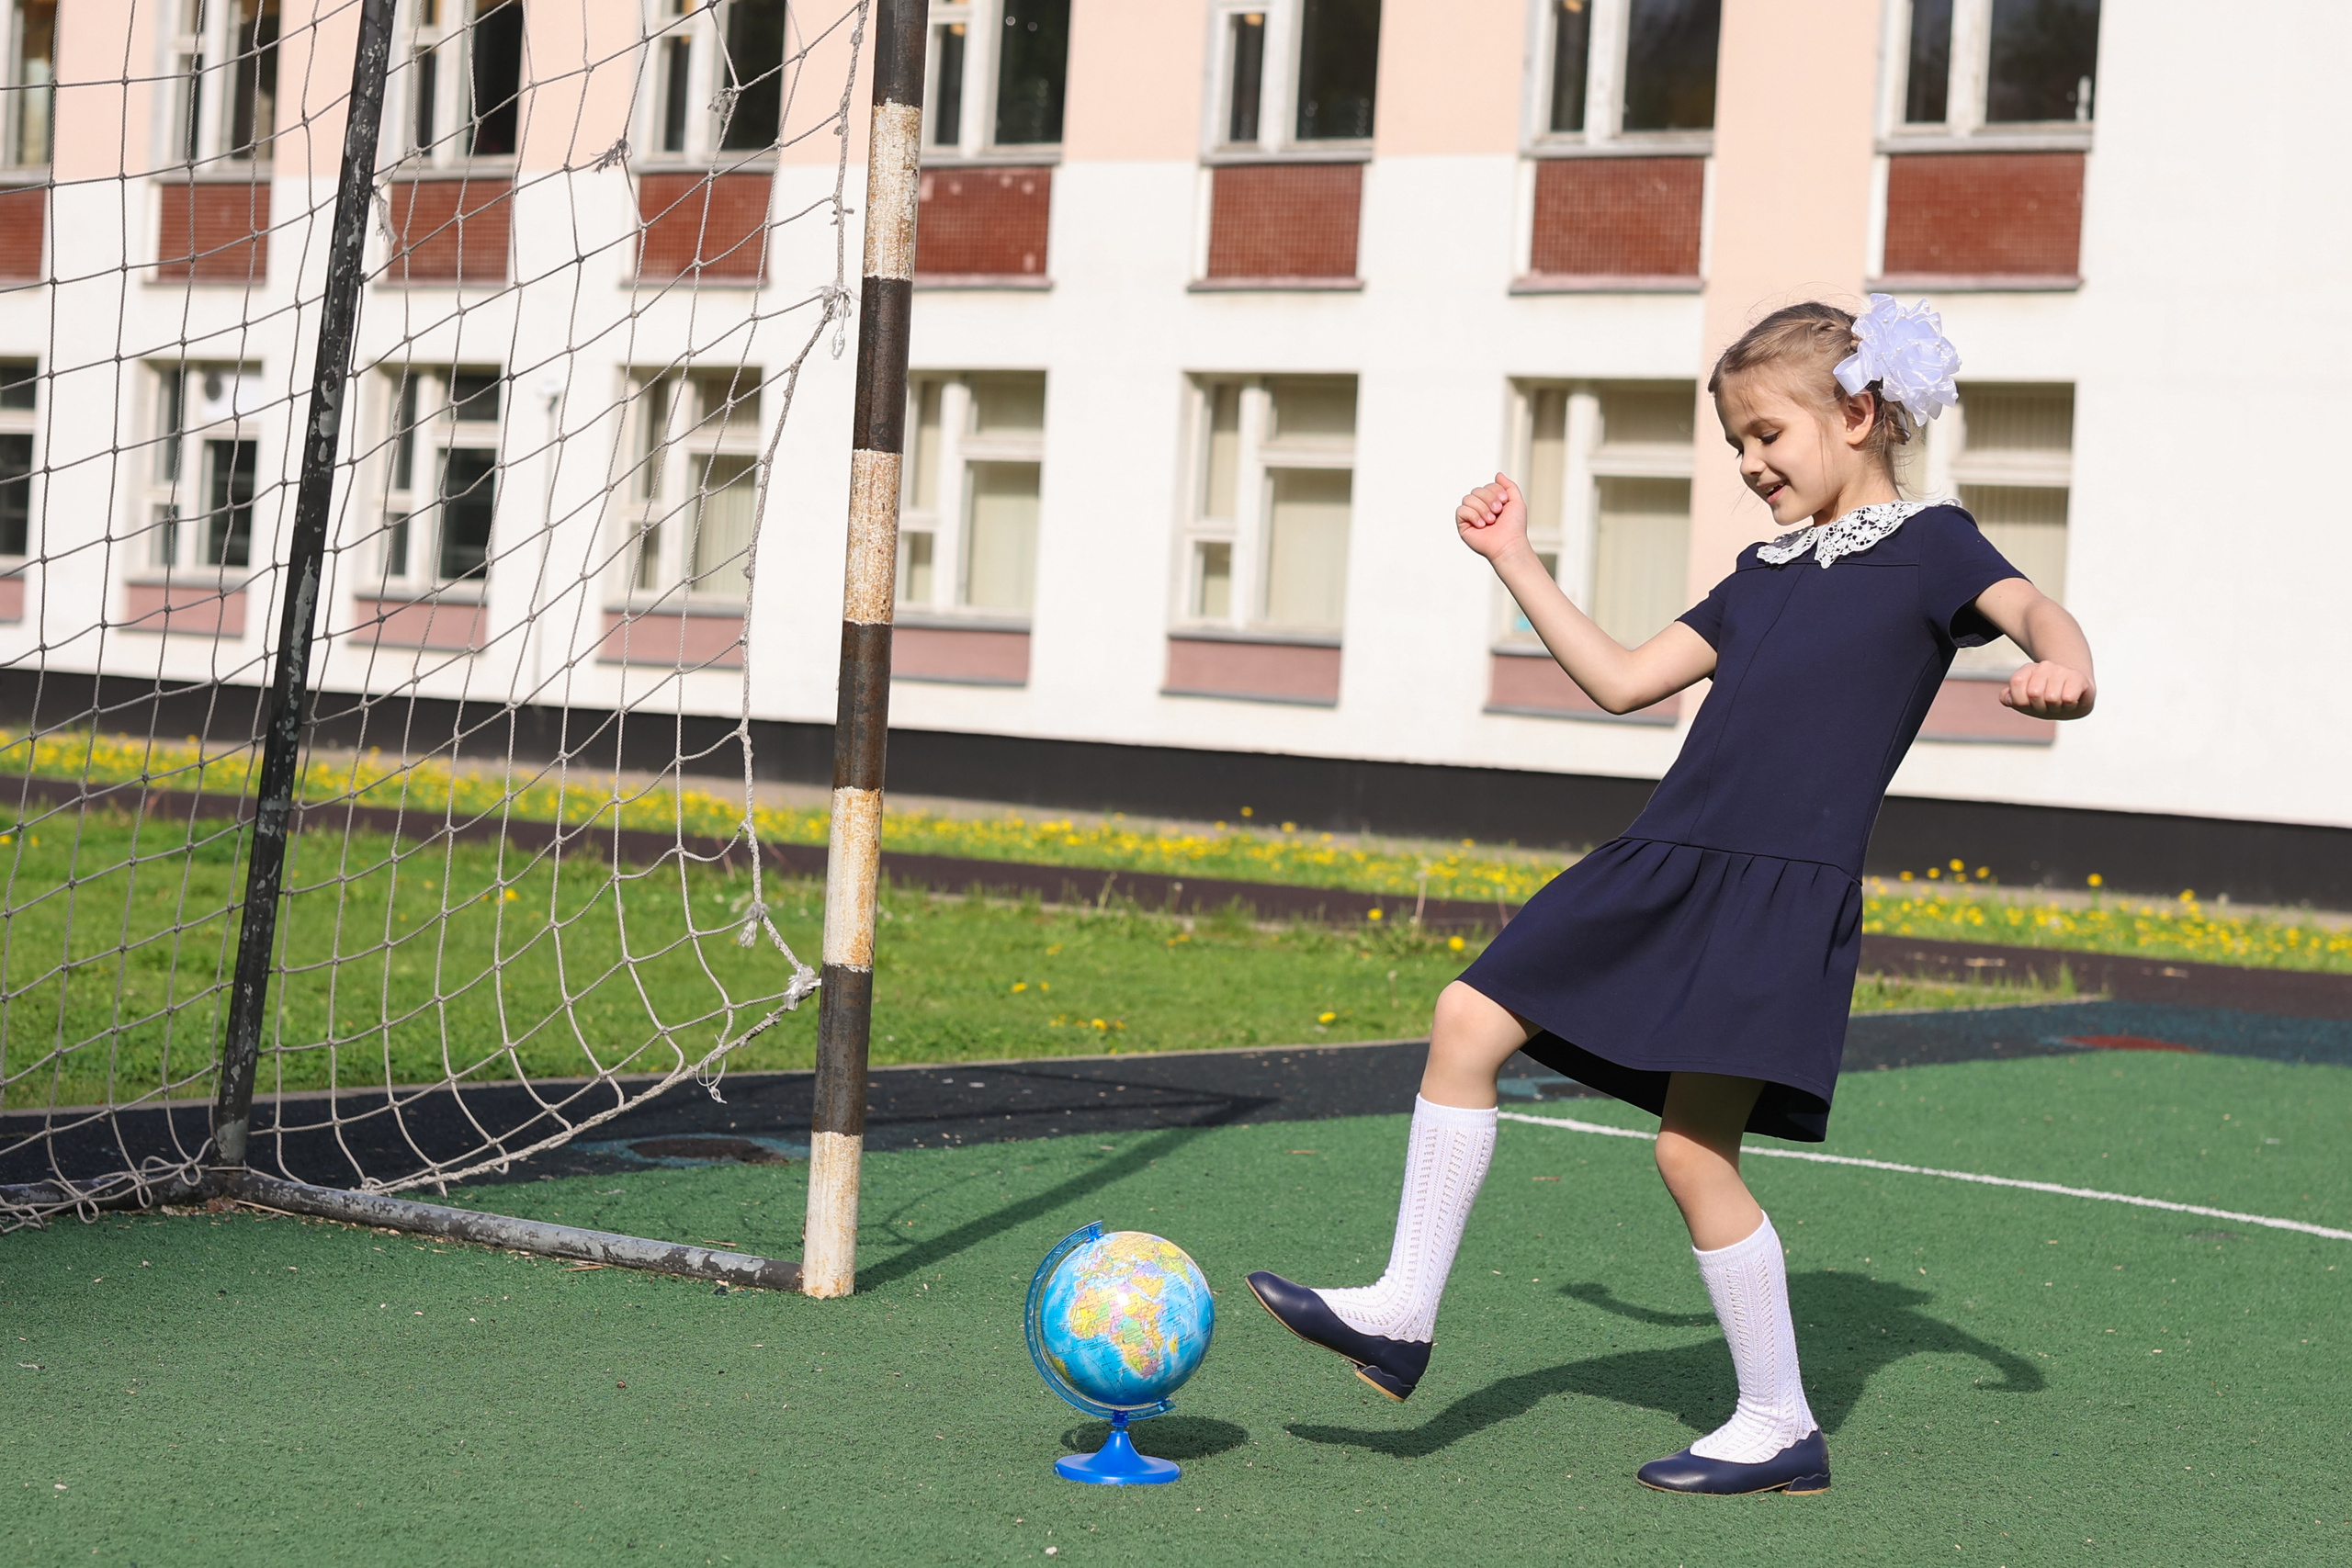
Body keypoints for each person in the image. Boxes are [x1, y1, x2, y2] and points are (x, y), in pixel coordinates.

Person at [1247, 297, 2097, 1495]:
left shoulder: (1936, 547)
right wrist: (1516, 563)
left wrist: (2068, 667)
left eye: (1765, 436)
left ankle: (1778, 1424)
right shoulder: (1758, 575)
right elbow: (1622, 680)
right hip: (1664, 858)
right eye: (1736, 444)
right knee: (1465, 1019)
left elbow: (2032, 611)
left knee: (1693, 1157)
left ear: (1858, 414)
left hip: (1777, 899)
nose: (1750, 465)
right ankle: (1400, 1310)